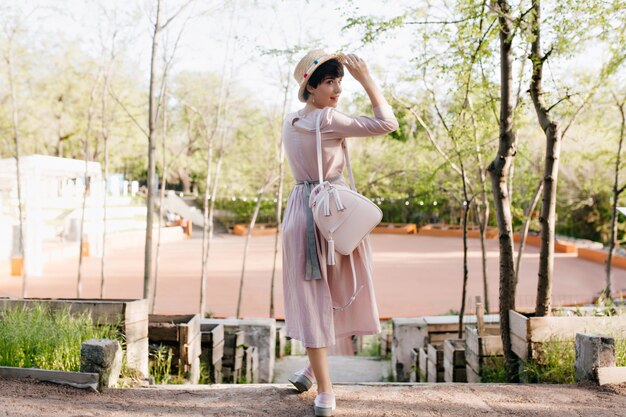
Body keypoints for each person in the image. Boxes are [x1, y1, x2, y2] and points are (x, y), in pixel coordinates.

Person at [281, 49, 398, 416]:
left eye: (341, 81)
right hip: (330, 212)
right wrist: (367, 80)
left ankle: (310, 370)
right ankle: (326, 393)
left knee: (313, 294)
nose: (338, 89)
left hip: (300, 210)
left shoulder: (291, 121)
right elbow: (387, 123)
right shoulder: (328, 119)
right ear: (310, 88)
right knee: (328, 295)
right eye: (330, 82)